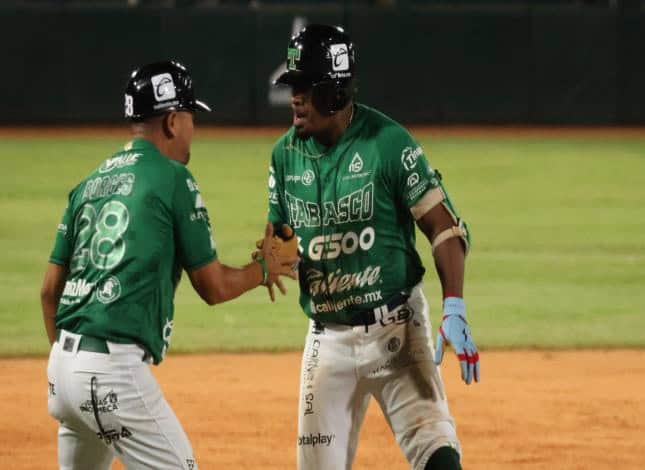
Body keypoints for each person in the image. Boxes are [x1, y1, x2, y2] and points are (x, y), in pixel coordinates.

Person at [40, 60, 298, 470]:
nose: (194, 128)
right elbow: (213, 287)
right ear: (173, 121)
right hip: (111, 373)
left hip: (61, 370)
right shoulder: (173, 178)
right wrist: (265, 268)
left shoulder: (88, 184)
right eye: (191, 117)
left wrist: (68, 365)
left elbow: (48, 291)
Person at [265, 24, 480, 470]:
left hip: (396, 330)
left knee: (435, 448)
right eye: (293, 87)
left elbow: (444, 228)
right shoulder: (284, 155)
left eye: (305, 87)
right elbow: (280, 236)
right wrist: (274, 255)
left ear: (335, 92)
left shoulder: (388, 143)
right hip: (327, 339)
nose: (295, 98)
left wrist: (454, 306)